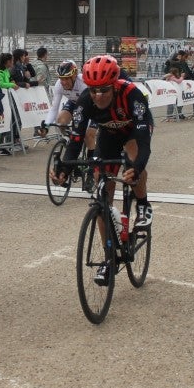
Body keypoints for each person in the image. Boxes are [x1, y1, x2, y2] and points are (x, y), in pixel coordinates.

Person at [51, 55, 154, 284]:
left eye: (104, 90)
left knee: (134, 161)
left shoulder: (132, 95)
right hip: (109, 135)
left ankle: (144, 205)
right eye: (93, 90)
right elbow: (76, 140)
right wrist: (64, 171)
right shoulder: (86, 101)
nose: (98, 96)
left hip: (133, 132)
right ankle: (109, 260)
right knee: (101, 197)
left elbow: (144, 143)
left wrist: (136, 168)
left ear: (115, 85)